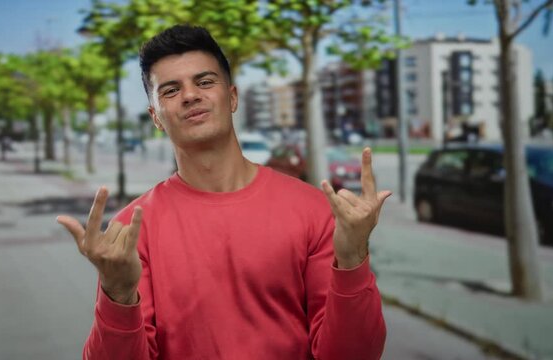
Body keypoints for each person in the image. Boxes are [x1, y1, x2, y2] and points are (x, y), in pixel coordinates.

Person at [57, 24, 390, 360]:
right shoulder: (131, 230)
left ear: (232, 97)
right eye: (170, 91)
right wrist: (117, 294)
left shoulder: (313, 210)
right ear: (155, 117)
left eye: (204, 82)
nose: (190, 95)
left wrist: (352, 259)